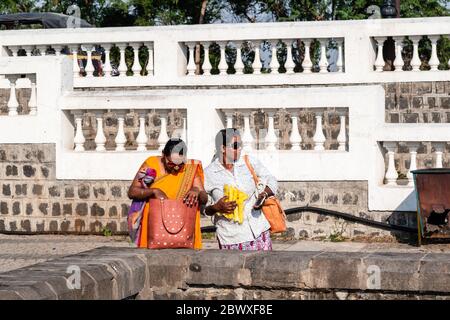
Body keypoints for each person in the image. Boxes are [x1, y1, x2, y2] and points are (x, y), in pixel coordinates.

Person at [204, 128, 278, 251]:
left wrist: (264, 195)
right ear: (222, 148)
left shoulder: (248, 162)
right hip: (232, 237)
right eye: (235, 146)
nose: (239, 149)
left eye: (240, 145)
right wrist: (216, 207)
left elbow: (271, 179)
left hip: (259, 231)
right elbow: (203, 209)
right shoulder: (209, 173)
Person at [127, 138, 208, 249]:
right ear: (163, 155)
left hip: (182, 226)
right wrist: (154, 191)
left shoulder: (189, 168)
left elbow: (204, 198)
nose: (175, 167)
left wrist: (196, 191)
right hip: (154, 224)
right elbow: (132, 192)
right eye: (171, 163)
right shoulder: (151, 163)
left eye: (179, 164)